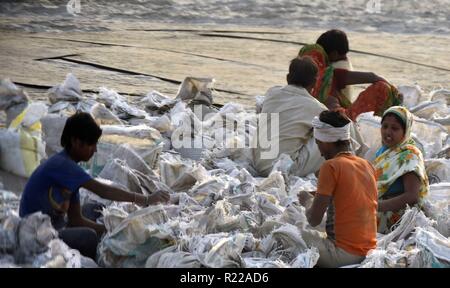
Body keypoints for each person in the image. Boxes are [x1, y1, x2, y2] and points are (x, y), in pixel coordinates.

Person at [19, 112, 170, 259]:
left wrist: (110, 230)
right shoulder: (62, 165)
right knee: (89, 237)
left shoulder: (70, 174)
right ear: (76, 142)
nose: (95, 150)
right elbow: (104, 191)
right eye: (92, 144)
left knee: (92, 209)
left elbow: (76, 220)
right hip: (35, 235)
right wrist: (146, 199)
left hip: (55, 226)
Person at [299, 110, 378, 268]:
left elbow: (314, 219)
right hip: (368, 252)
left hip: (342, 255)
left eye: (319, 143)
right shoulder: (366, 164)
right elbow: (348, 195)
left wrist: (307, 199)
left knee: (286, 230)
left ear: (327, 141)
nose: (320, 152)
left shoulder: (330, 166)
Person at [298, 29, 402, 121]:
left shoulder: (297, 79)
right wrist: (394, 91)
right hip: (342, 120)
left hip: (332, 120)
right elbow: (372, 76)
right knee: (382, 88)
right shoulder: (332, 74)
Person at [254, 57, 327, 177]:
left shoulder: (272, 93)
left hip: (259, 164)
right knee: (334, 130)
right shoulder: (317, 107)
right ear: (314, 82)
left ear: (288, 78)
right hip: (284, 169)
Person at [373, 106, 429, 233]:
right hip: (379, 212)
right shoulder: (382, 151)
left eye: (395, 128)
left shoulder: (409, 155)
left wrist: (378, 206)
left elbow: (412, 196)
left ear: (405, 131)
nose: (388, 132)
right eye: (385, 126)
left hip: (398, 219)